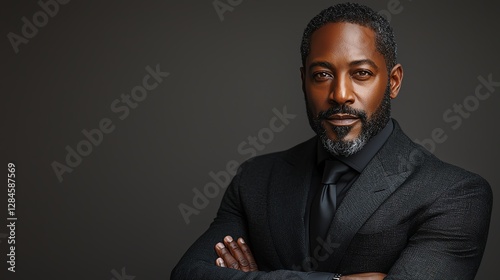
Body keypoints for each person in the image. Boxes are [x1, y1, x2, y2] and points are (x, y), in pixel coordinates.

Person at [171, 3, 492, 280]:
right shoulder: (254, 179)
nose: (340, 94)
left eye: (361, 73)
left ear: (392, 82)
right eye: (322, 74)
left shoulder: (453, 194)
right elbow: (188, 274)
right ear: (303, 81)